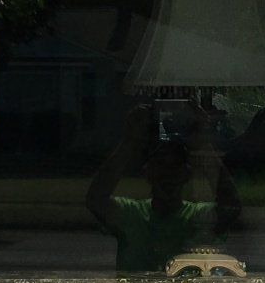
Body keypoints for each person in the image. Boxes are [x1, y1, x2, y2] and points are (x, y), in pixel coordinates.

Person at [87, 104, 242, 272]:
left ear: (187, 174)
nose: (167, 174)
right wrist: (130, 141)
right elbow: (96, 200)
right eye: (160, 165)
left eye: (175, 167)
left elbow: (230, 207)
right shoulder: (132, 214)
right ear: (147, 172)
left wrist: (203, 144)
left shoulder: (197, 216)